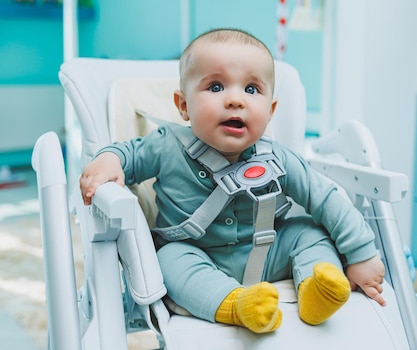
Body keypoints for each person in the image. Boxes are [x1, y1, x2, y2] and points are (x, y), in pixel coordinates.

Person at [80, 28, 385, 334]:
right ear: (183, 106)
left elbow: (326, 198)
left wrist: (362, 254)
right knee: (168, 261)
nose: (236, 100)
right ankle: (236, 305)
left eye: (252, 89)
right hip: (197, 256)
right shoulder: (166, 144)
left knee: (309, 233)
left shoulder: (278, 157)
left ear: (270, 112)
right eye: (215, 86)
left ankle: (317, 291)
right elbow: (129, 155)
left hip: (269, 252)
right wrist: (110, 160)